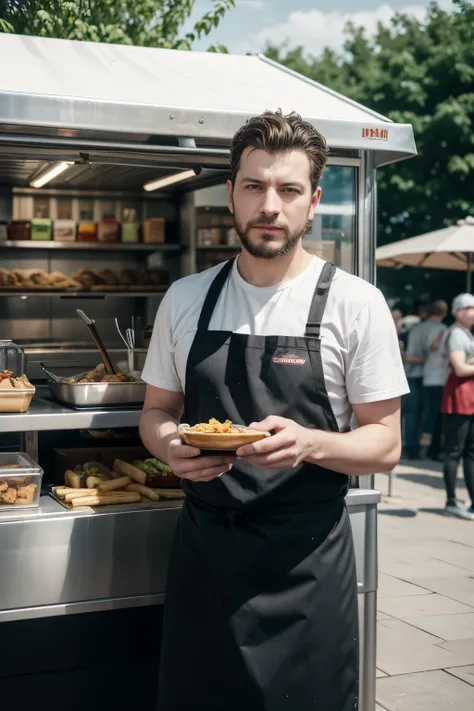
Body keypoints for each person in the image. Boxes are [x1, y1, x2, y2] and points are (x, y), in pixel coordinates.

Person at [140, 110, 408, 711]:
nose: (270, 206)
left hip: (306, 564)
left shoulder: (355, 304)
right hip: (205, 558)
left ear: (312, 202)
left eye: (288, 190)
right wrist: (170, 448)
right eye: (255, 186)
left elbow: (385, 444)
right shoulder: (186, 299)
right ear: (230, 193)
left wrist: (311, 443)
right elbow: (156, 411)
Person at [440, 293, 474, 520]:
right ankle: (451, 500)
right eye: (471, 308)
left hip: (469, 397)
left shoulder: (465, 334)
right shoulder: (455, 334)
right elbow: (460, 368)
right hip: (459, 397)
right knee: (455, 450)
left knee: (470, 451)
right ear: (458, 311)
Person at [421, 300, 449, 459]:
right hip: (440, 376)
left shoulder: (419, 327)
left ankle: (424, 446)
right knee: (437, 416)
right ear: (444, 313)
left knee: (427, 414)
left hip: (427, 375)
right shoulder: (443, 330)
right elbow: (435, 347)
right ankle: (433, 449)